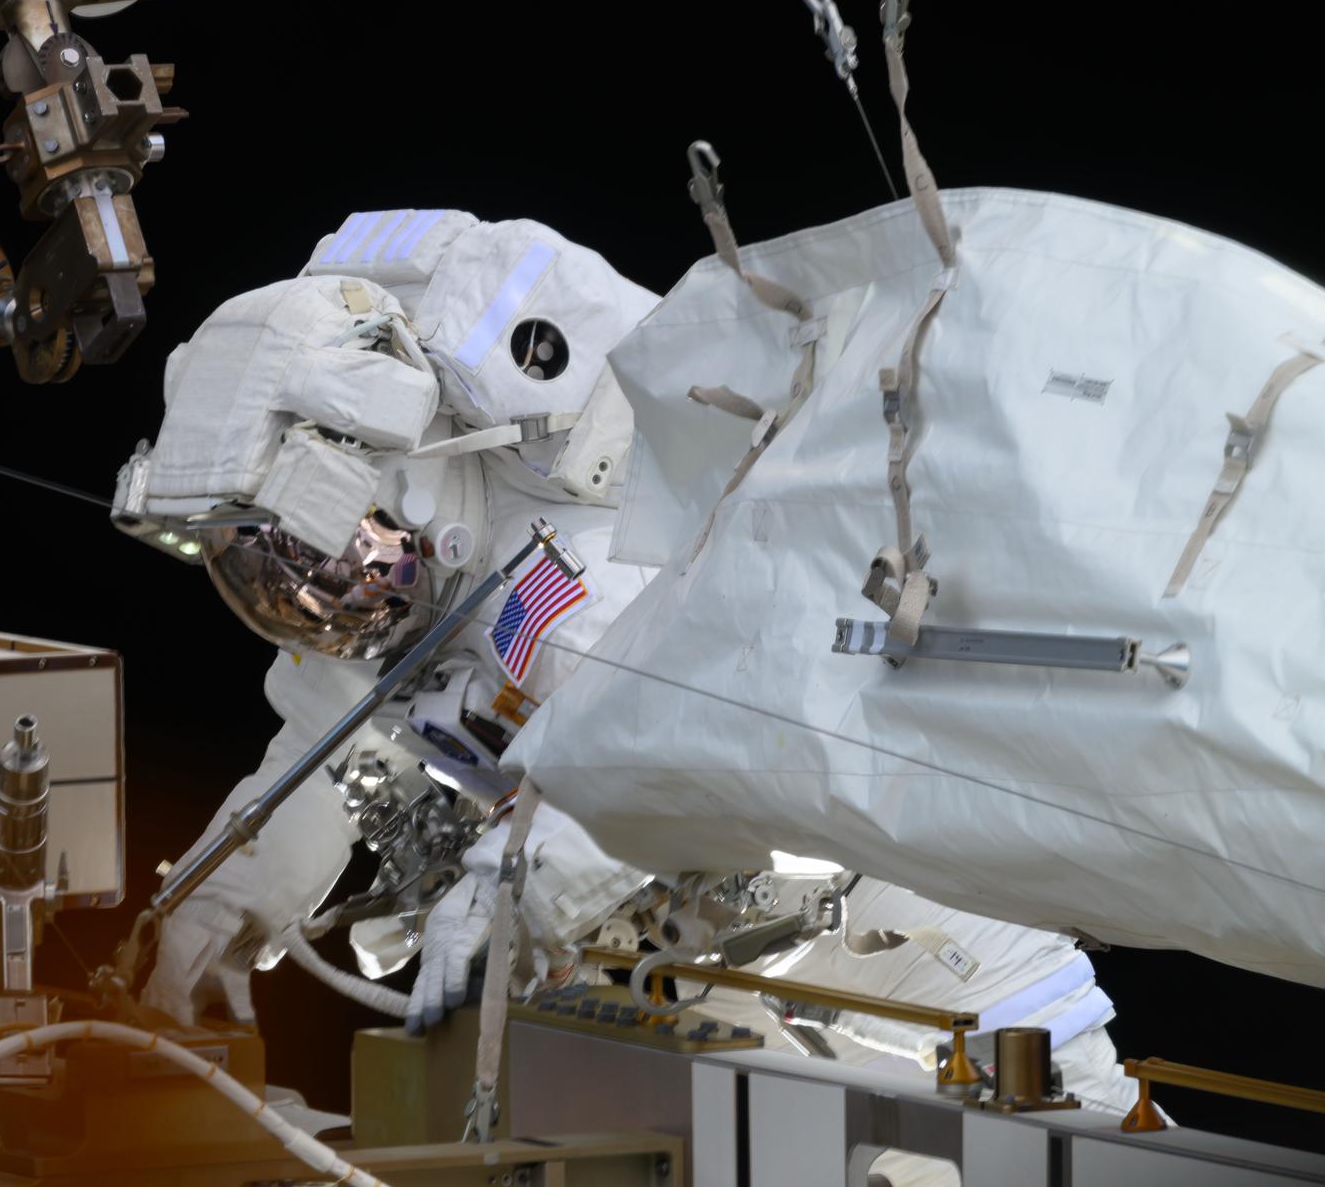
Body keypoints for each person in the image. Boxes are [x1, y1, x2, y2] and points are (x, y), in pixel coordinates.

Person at [111, 210, 1141, 1147]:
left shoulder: (578, 572)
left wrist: (508, 898)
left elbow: (659, 748)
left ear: (409, 478)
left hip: (900, 914)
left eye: (322, 557)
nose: (306, 598)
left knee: (1084, 1144)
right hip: (691, 974)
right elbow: (322, 757)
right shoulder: (396, 616)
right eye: (260, 574)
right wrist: (223, 905)